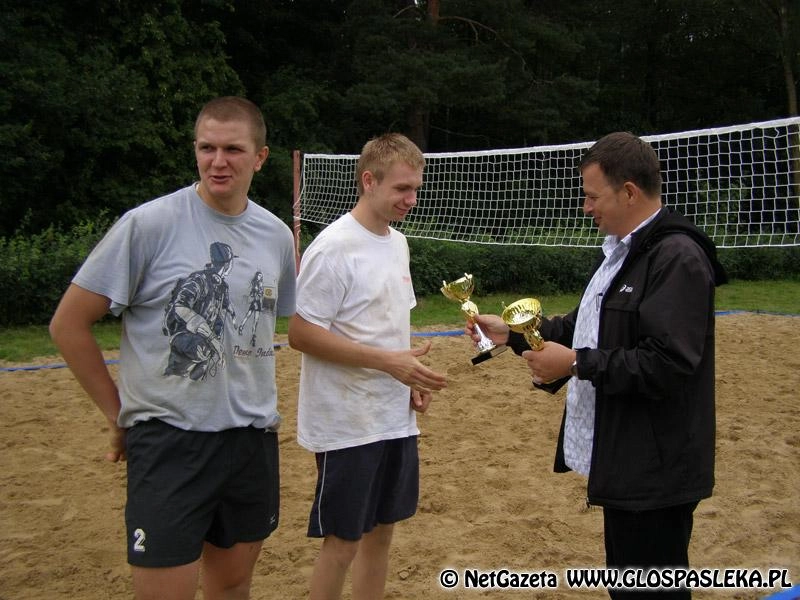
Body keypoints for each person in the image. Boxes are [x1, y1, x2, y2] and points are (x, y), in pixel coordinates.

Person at [49, 96, 297, 600]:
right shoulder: (148, 225)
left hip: (250, 439)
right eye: (207, 148)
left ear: (260, 157)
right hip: (169, 442)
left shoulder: (275, 235)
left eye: (232, 148)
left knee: (232, 588)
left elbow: (269, 325)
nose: (217, 161)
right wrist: (117, 415)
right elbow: (68, 325)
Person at [469, 132, 727, 599]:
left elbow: (668, 364)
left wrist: (576, 364)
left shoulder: (676, 257)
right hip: (628, 456)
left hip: (657, 467)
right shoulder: (622, 253)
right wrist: (514, 334)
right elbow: (587, 328)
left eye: (592, 196)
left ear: (628, 191)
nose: (586, 207)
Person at [288, 133, 448, 600]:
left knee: (382, 533)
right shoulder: (333, 247)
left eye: (416, 188)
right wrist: (388, 363)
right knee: (343, 541)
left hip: (392, 418)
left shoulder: (398, 244)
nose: (411, 199)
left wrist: (410, 378)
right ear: (368, 180)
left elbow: (388, 328)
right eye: (401, 188)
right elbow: (301, 333)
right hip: (346, 424)